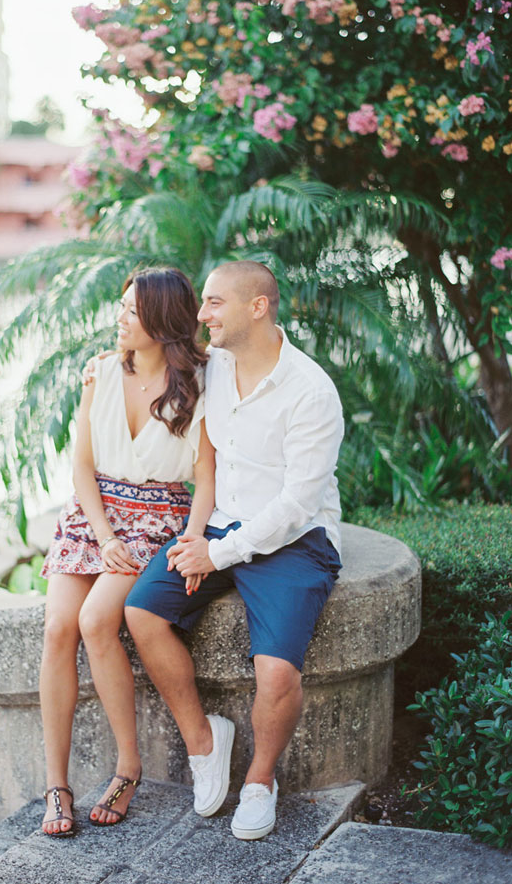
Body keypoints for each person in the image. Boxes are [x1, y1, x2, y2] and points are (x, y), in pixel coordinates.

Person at [124, 260, 344, 841]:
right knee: (141, 611)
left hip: (296, 541)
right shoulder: (213, 368)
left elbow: (298, 505)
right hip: (220, 525)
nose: (202, 314)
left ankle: (259, 782)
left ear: (258, 307)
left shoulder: (311, 390)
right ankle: (205, 740)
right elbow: (153, 369)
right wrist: (110, 366)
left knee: (275, 672)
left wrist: (217, 556)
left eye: (215, 303)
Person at [39, 268, 215, 837]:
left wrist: (194, 539)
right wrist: (105, 534)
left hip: (158, 516)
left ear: (161, 322)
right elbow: (81, 468)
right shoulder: (101, 372)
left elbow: (205, 479)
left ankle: (127, 768)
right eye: (121, 307)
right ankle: (57, 785)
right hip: (96, 515)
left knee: (96, 620)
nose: (120, 319)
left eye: (131, 312)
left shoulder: (198, 384)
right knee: (57, 628)